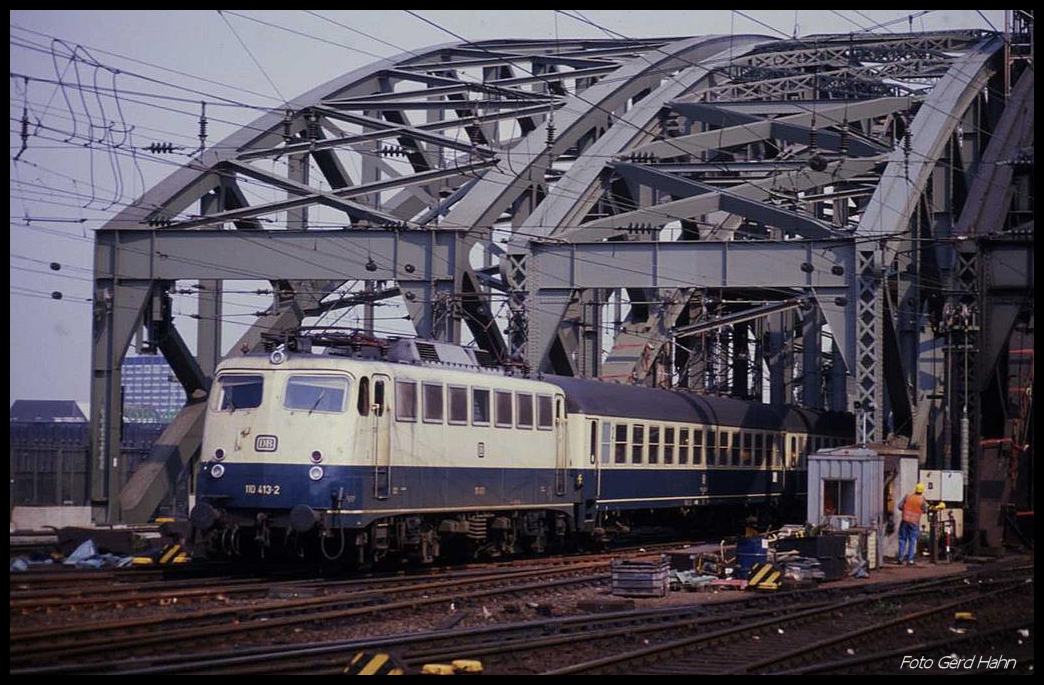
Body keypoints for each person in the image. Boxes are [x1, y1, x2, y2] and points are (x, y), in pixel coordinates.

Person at [896, 483, 944, 566]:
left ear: (915, 489)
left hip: (904, 520)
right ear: (922, 491)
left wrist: (905, 511)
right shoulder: (922, 500)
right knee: (912, 540)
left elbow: (899, 506)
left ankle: (900, 558)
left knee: (902, 539)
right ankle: (910, 560)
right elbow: (925, 510)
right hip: (914, 522)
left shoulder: (907, 496)